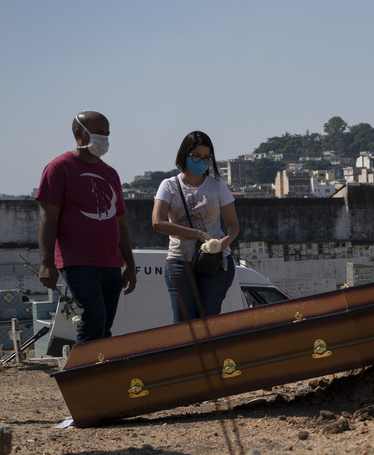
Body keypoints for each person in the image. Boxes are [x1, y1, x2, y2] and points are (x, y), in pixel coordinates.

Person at [36, 110, 137, 344]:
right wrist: (46, 263)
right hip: (78, 262)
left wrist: (130, 265)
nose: (104, 138)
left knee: (104, 326)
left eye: (107, 133)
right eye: (99, 133)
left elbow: (120, 222)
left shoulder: (110, 173)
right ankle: (85, 366)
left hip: (110, 263)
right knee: (93, 318)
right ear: (78, 133)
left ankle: (99, 365)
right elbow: (48, 220)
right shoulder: (59, 168)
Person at [151, 131, 240, 322]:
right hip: (179, 259)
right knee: (184, 322)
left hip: (214, 261)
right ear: (185, 154)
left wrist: (226, 241)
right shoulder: (168, 185)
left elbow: (233, 225)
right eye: (197, 156)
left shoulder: (217, 185)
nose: (202, 161)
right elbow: (158, 222)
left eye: (207, 157)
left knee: (207, 319)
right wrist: (198, 234)